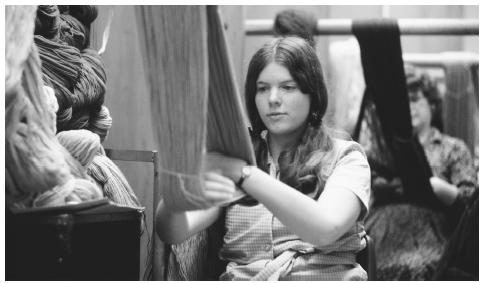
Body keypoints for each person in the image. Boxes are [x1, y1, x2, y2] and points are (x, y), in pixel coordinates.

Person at [156, 37, 371, 280]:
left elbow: (326, 228)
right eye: (263, 88)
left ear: (313, 94)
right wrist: (176, 192)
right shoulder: (236, 158)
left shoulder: (346, 157)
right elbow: (173, 232)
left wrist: (245, 174)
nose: (273, 98)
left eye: (288, 87)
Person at [361, 65, 478, 280]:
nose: (406, 108)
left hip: (431, 234)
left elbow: (472, 206)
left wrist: (441, 189)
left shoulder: (451, 148)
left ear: (432, 104)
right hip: (380, 232)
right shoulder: (375, 151)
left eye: (414, 99)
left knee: (418, 267)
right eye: (400, 103)